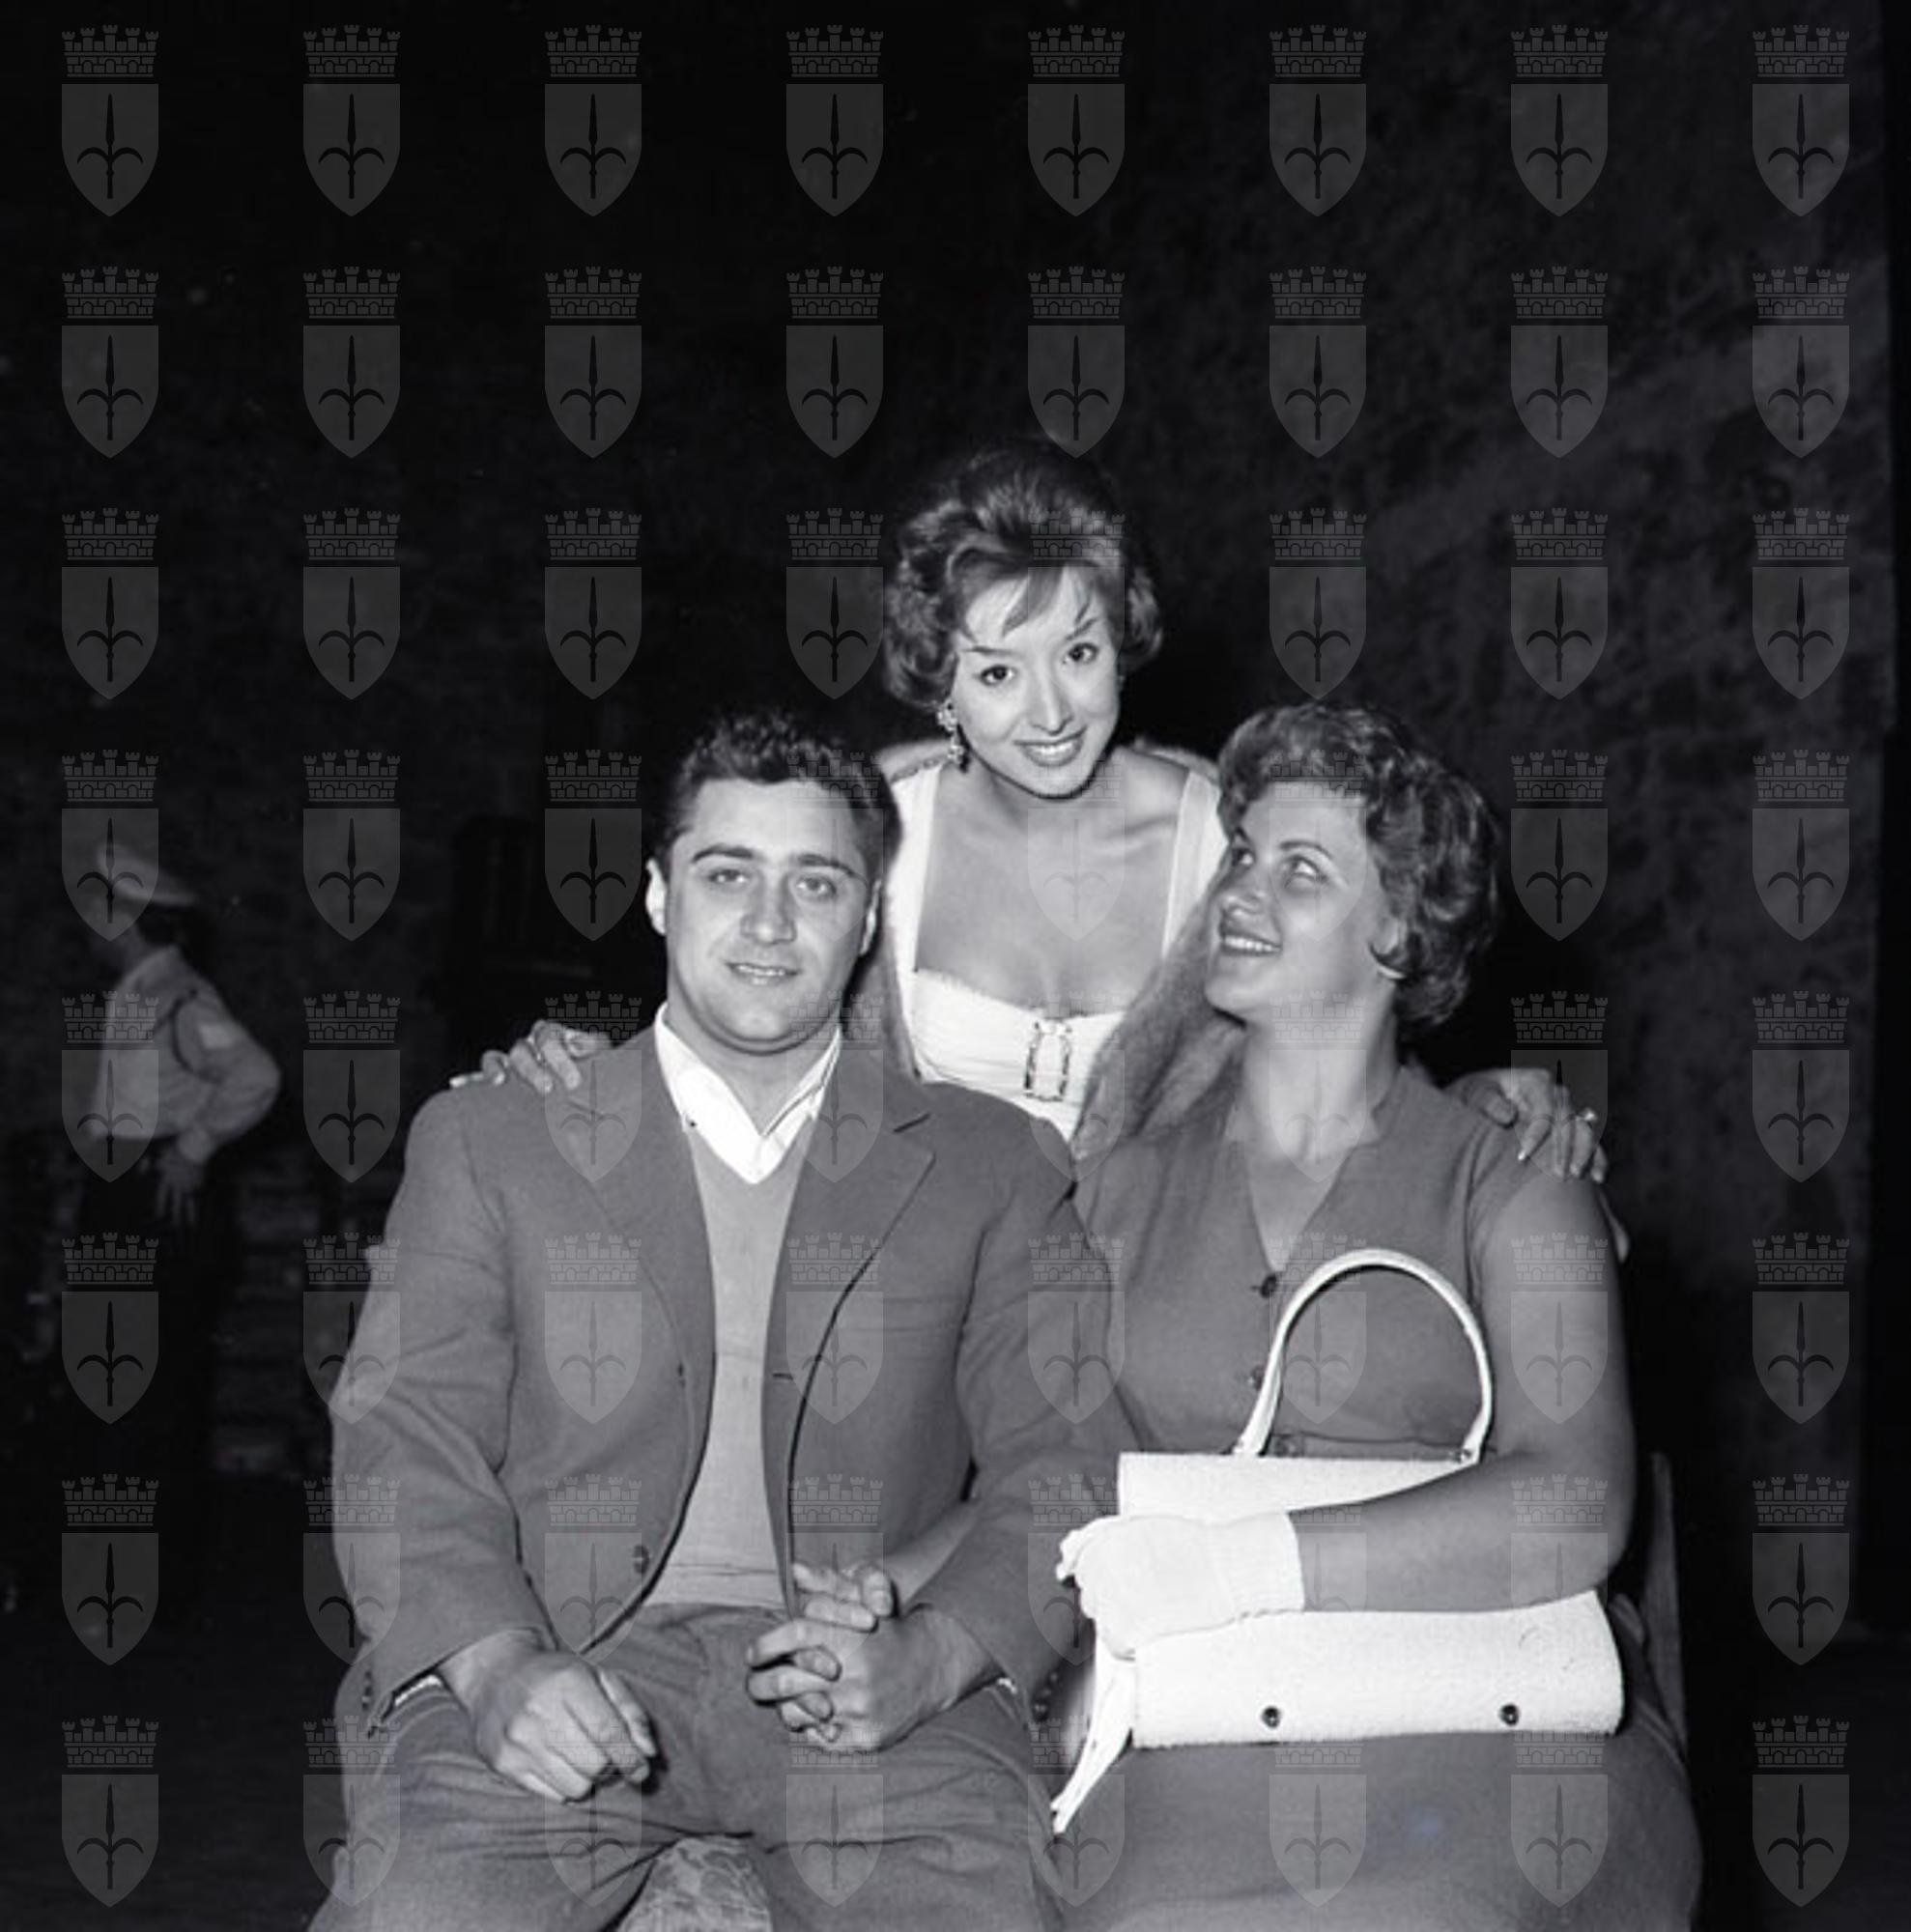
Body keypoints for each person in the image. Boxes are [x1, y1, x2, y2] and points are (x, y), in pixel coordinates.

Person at [310, 710, 1128, 1932]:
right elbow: (402, 1434)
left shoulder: (993, 1163)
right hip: (562, 1653)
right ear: (657, 893)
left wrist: (936, 1654)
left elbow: (1064, 1460)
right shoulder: (495, 1136)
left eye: (817, 882)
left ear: (868, 918)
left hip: (865, 1685)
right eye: (727, 873)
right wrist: (492, 1664)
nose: (768, 922)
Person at [1029, 701, 1699, 1929]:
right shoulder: (1114, 1191)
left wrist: (1237, 1567)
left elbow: (1573, 1501)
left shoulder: (1512, 1173)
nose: (1241, 890)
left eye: (1301, 870)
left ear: (1399, 929)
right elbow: (1056, 1475)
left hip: (1489, 1711)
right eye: (1240, 855)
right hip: (1198, 1716)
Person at [489, 441, 1606, 1174]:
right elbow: (745, 1011)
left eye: (1078, 651)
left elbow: (1332, 1047)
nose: (1052, 712)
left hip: (1159, 1331)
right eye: (996, 672)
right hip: (906, 1323)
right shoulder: (872, 827)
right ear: (939, 681)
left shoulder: (1226, 838)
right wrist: (581, 1069)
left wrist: (1465, 1108)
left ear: (1124, 636)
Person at [73, 858, 282, 1619]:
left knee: (157, 1391)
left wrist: (193, 1149)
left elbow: (256, 1075)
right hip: (124, 1193)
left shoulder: (181, 998)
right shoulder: (139, 994)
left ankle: (158, 1586)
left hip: (157, 1204)